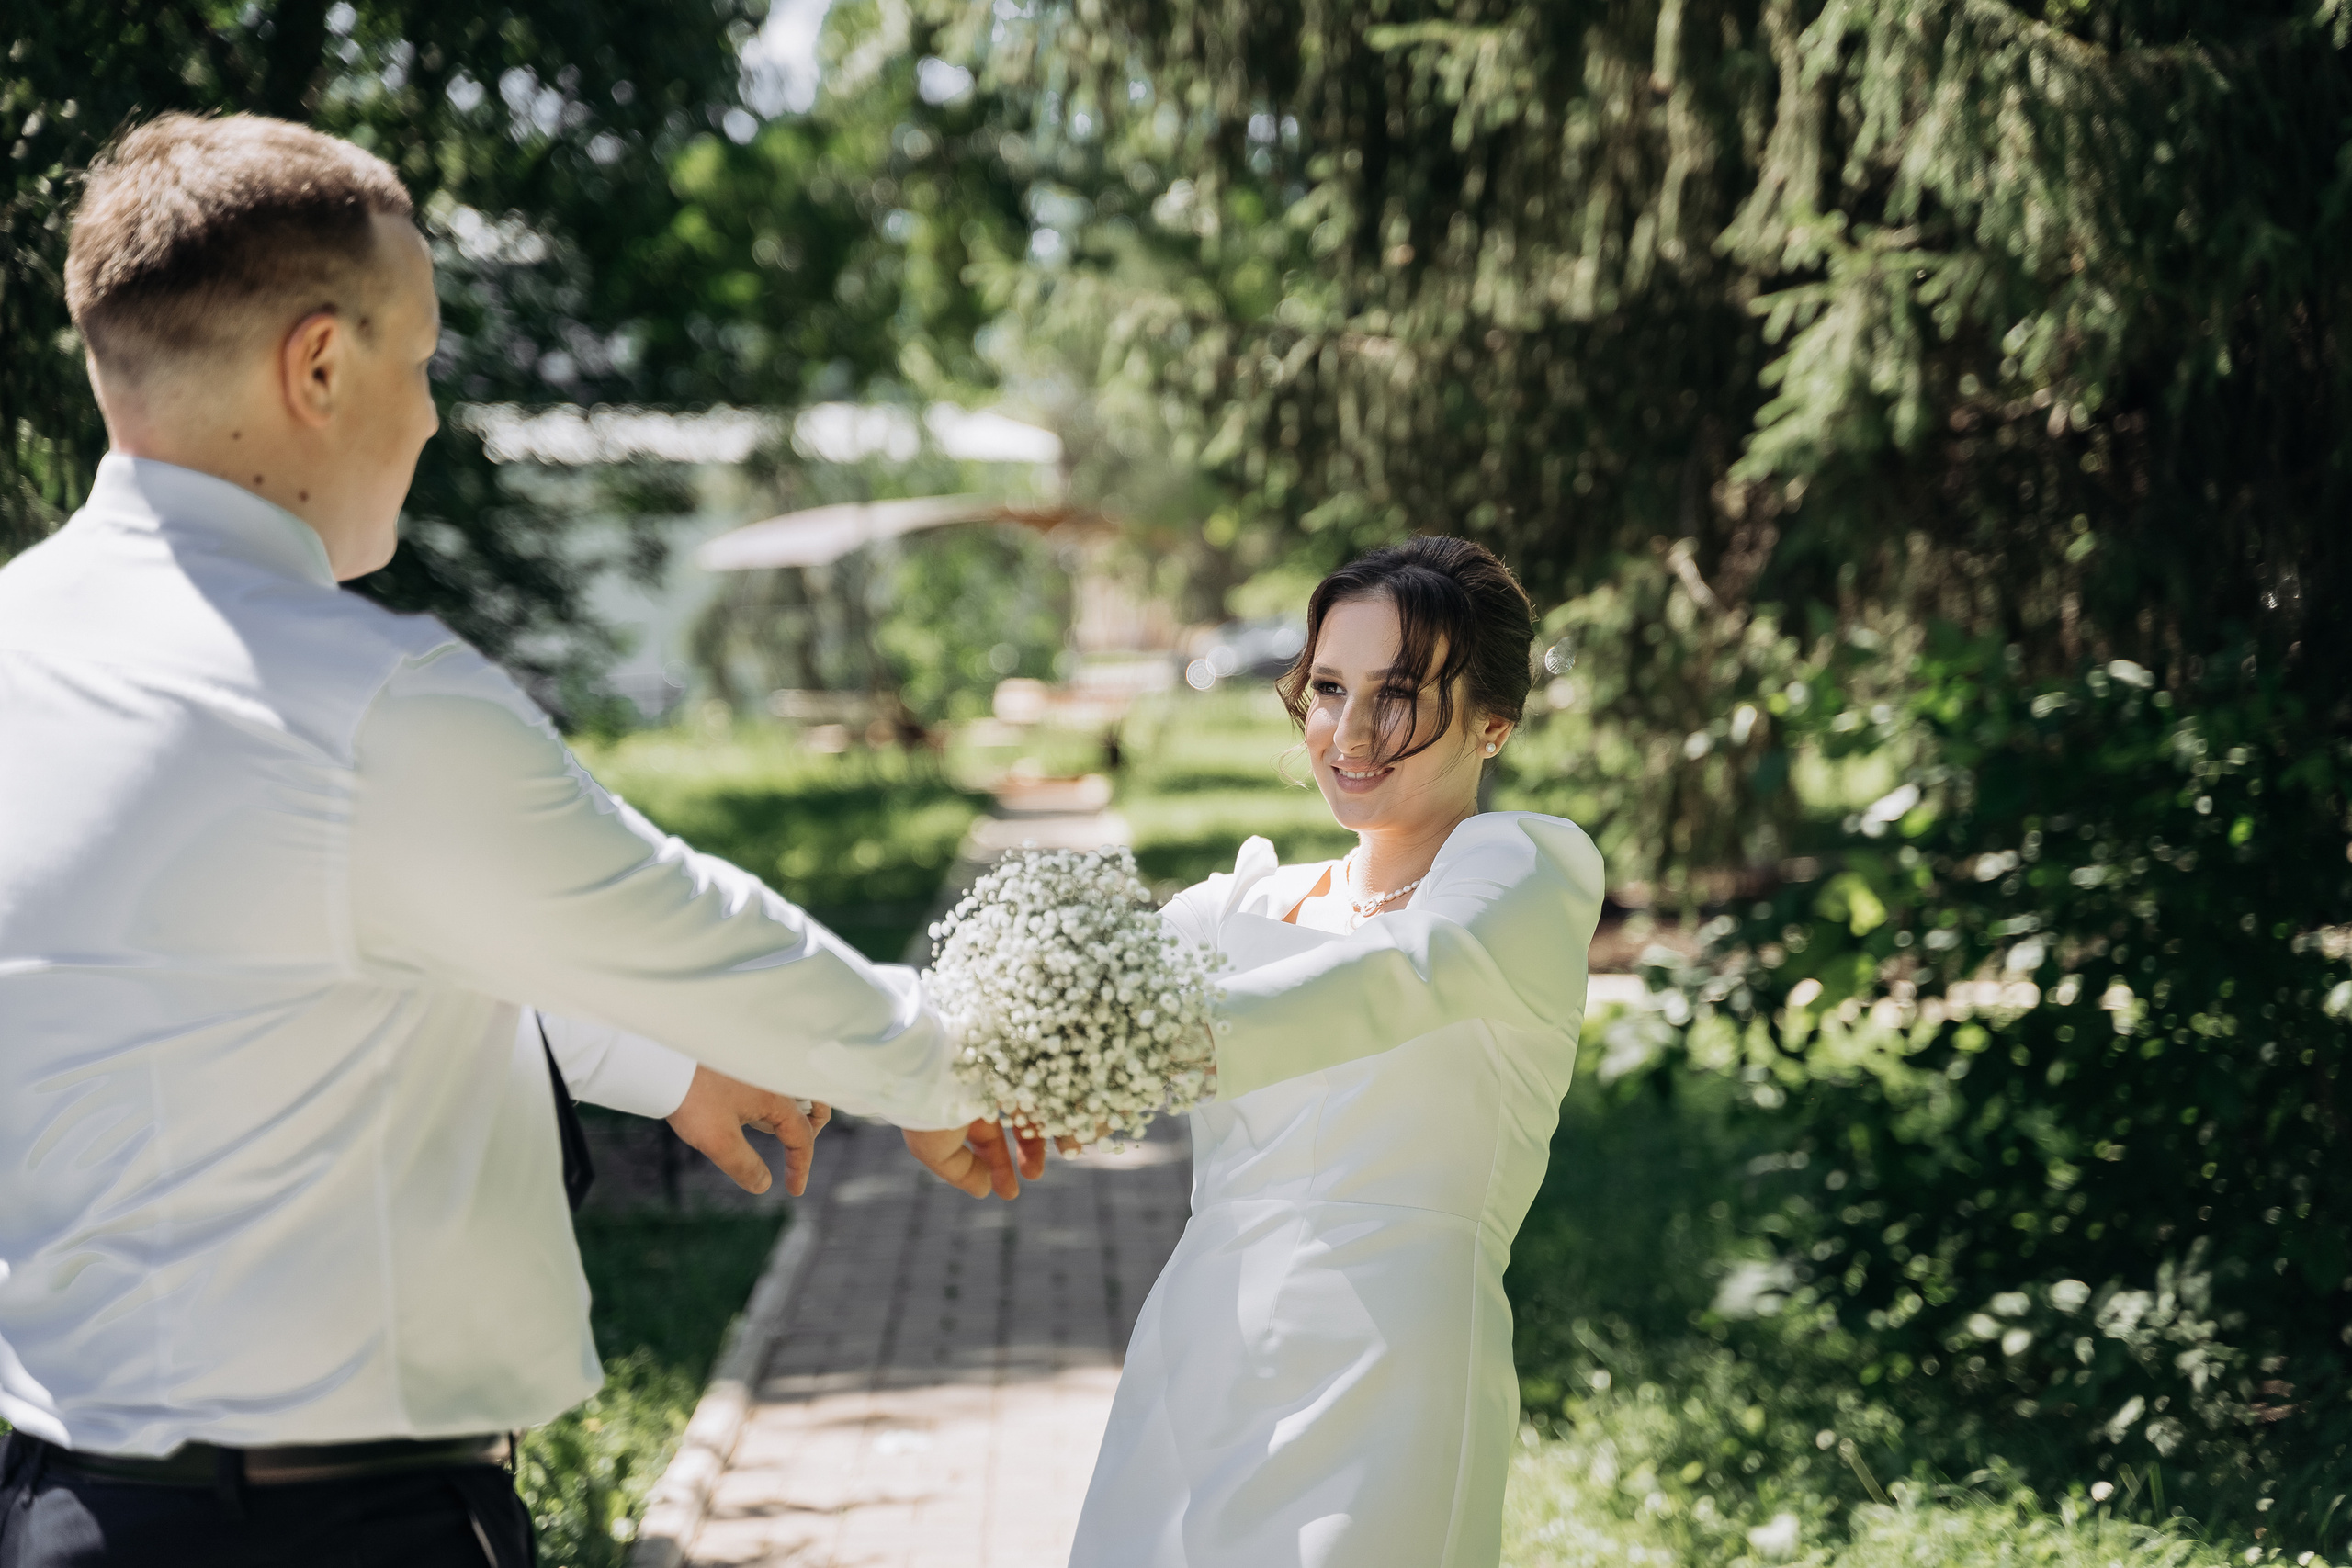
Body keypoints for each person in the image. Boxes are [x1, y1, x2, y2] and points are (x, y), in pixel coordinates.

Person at [0, 113, 1041, 1568]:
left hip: (62, 1509)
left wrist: (667, 1064)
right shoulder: (371, 707)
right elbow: (679, 927)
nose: (430, 415)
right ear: (318, 365)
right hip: (342, 1524)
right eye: (420, 360)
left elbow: (295, 957)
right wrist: (944, 1063)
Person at [1068, 537, 1605, 1568]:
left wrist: (1162, 1037)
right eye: (1325, 688)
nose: (1348, 732)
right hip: (1195, 1353)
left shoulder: (1525, 872)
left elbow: (1395, 976)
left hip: (1387, 1369)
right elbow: (1066, 1001)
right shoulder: (1248, 903)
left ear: (1494, 722)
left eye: (1397, 693)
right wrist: (849, 1065)